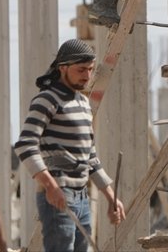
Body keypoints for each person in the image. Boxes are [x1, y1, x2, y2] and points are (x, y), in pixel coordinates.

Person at [14, 39, 125, 252]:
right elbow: (25, 145)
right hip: (59, 196)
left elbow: (90, 156)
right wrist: (50, 185)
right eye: (81, 69)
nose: (87, 75)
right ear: (62, 68)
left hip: (81, 197)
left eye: (90, 70)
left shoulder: (83, 104)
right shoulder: (47, 100)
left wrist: (111, 198)